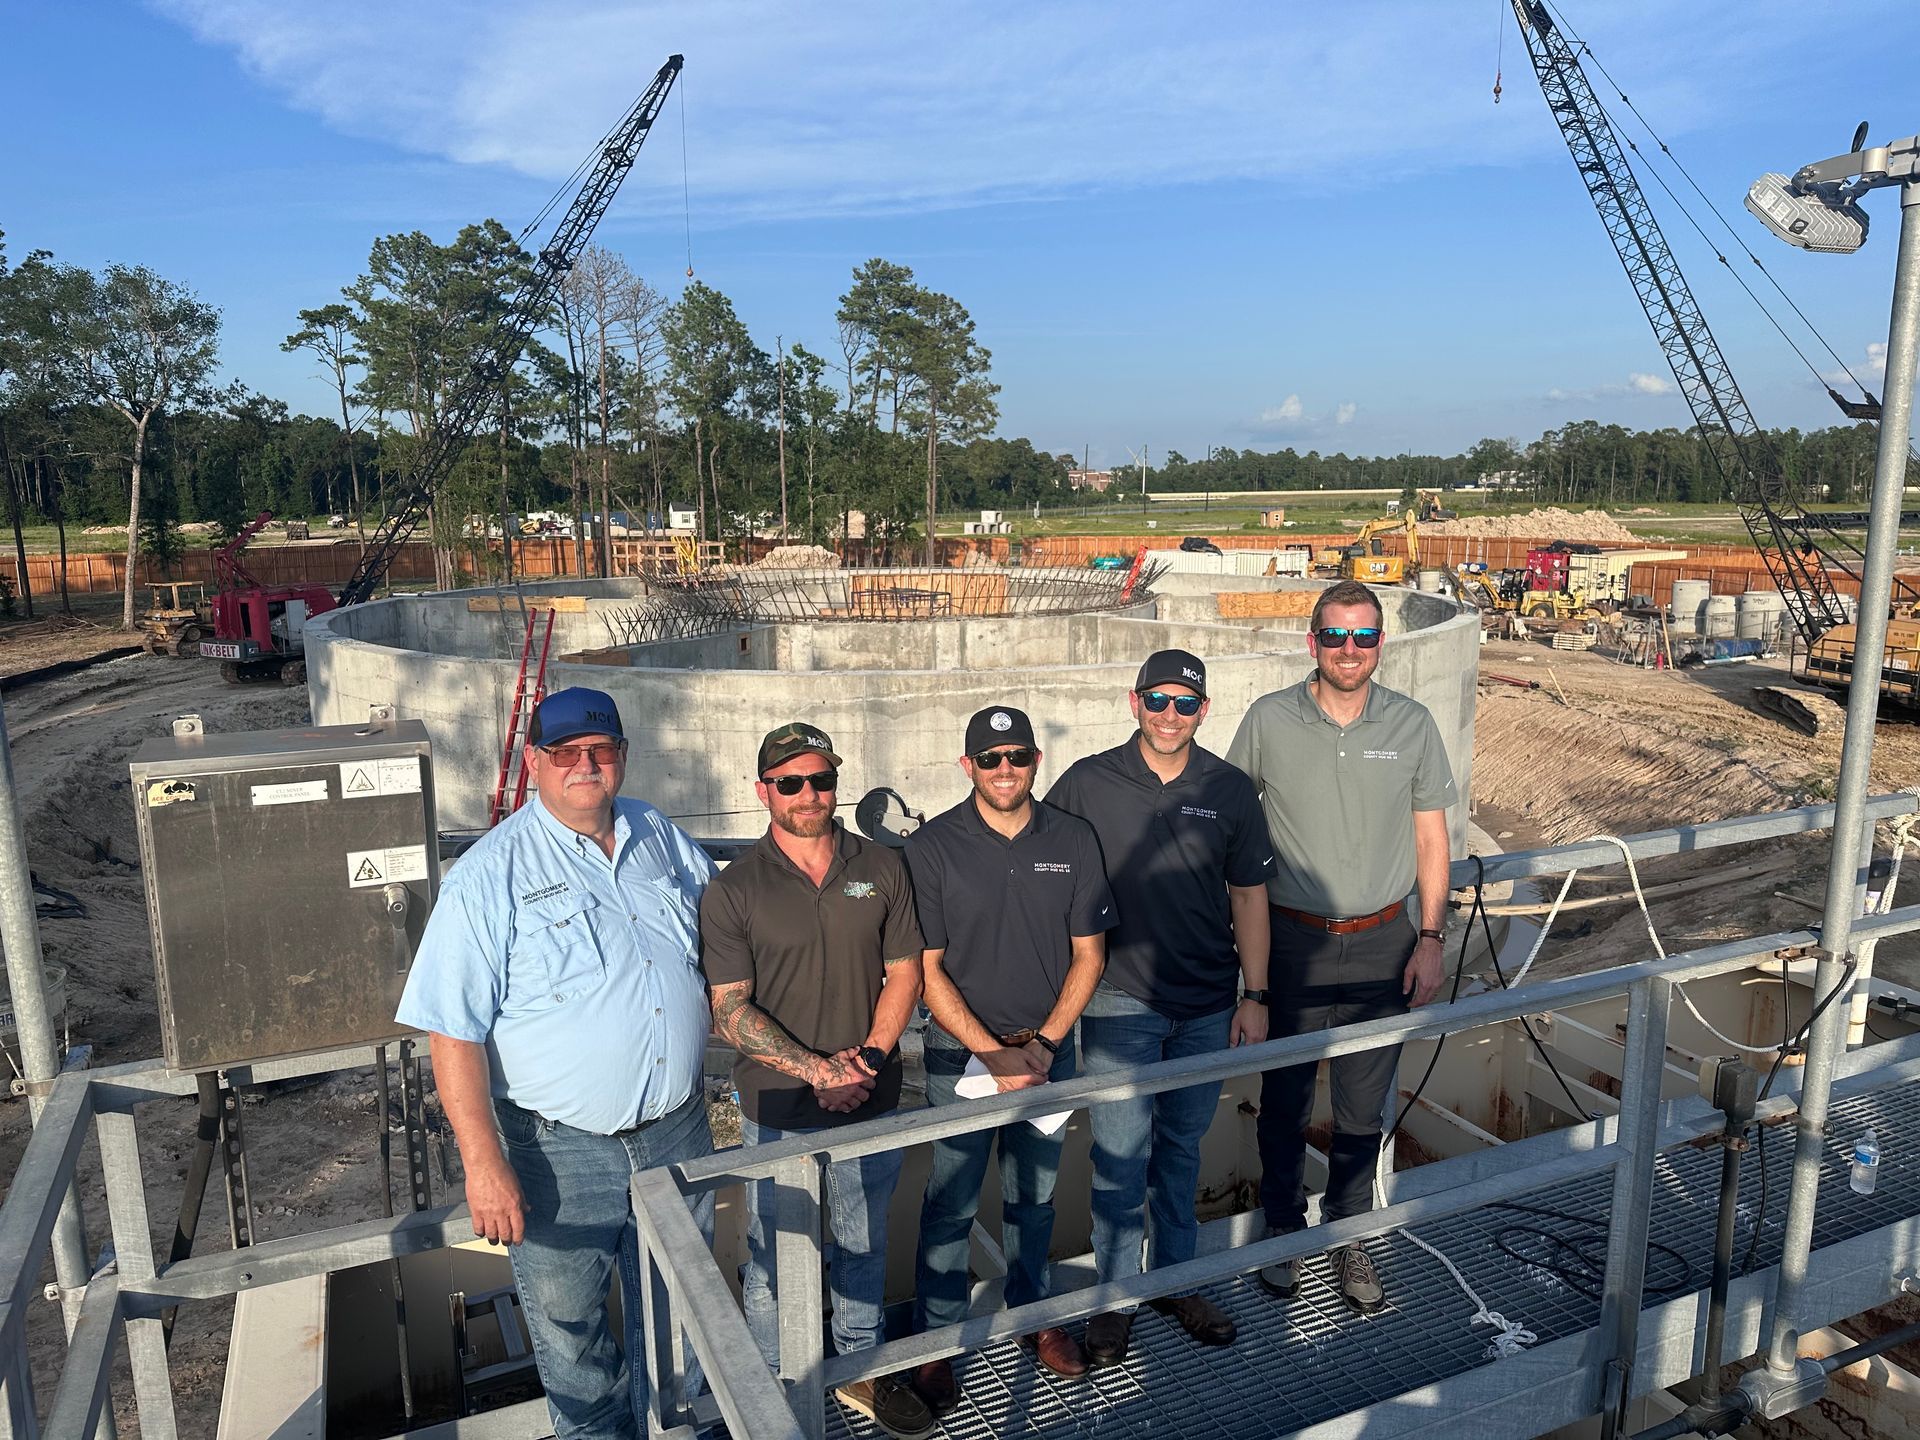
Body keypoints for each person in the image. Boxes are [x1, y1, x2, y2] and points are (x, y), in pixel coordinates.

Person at [395, 687, 718, 1440]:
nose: (585, 765)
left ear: (623, 759)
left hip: (676, 1130)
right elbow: (453, 1033)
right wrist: (483, 1164)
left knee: (681, 1321)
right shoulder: (489, 874)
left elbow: (729, 931)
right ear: (536, 763)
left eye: (599, 751)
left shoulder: (658, 835)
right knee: (575, 1346)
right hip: (558, 1152)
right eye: (565, 752)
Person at [1226, 580, 1457, 1314]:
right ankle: (1286, 1232)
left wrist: (1430, 937)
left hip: (1385, 941)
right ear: (1313, 642)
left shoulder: (1412, 723)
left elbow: (1431, 837)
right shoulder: (1269, 720)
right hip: (1292, 944)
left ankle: (1350, 1233)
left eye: (1363, 638)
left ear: (1380, 644)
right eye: (1336, 637)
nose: (1349, 651)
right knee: (1285, 1100)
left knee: (1363, 1109)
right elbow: (1231, 825)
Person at [700, 722, 935, 1440]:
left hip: (870, 1093)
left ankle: (859, 1371)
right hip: (777, 1105)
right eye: (791, 782)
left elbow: (907, 972)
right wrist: (814, 1070)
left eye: (821, 780)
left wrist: (862, 1062)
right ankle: (778, 1383)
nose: (809, 795)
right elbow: (729, 1008)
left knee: (862, 1243)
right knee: (775, 1255)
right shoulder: (733, 888)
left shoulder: (882, 866)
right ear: (763, 790)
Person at [1046, 649, 1274, 1364]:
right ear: (1133, 702)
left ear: (1203, 711)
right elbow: (1041, 867)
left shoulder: (1230, 790)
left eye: (1184, 704)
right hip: (1119, 1002)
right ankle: (1113, 1302)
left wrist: (1255, 995)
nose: (1169, 715)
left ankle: (1176, 1283)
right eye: (1157, 701)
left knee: (1179, 1154)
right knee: (1118, 1158)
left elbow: (1249, 897)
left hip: (1208, 1004)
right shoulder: (1088, 782)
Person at [904, 705, 1115, 1414]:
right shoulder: (932, 848)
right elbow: (925, 970)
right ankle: (936, 1344)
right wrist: (994, 1052)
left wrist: (1045, 1045)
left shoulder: (1073, 838)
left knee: (1036, 1200)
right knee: (949, 1206)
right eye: (990, 759)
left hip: (1048, 1052)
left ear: (1035, 762)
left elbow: (1090, 954)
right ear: (967, 766)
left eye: (1018, 757)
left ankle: (1034, 1317)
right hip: (958, 1056)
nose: (1005, 770)